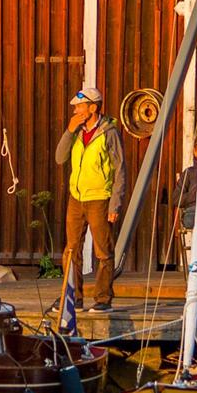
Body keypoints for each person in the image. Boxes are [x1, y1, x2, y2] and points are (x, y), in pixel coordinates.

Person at [55, 84, 125, 310]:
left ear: (93, 108)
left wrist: (115, 202)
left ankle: (103, 299)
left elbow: (120, 170)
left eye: (79, 107)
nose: (75, 111)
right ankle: (72, 299)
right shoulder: (76, 133)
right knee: (71, 249)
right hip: (76, 197)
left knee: (103, 250)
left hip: (100, 198)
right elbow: (60, 157)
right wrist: (69, 130)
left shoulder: (109, 132)